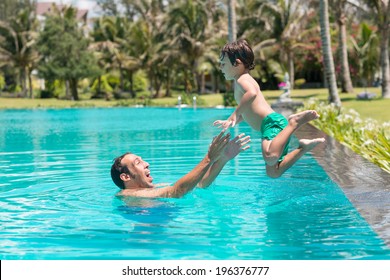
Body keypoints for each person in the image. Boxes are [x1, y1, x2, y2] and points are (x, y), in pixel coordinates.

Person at [214, 39, 325, 178]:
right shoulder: (242, 80)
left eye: (223, 63)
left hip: (271, 123)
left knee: (269, 156)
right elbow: (248, 110)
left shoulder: (242, 79)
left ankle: (294, 123)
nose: (220, 67)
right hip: (270, 125)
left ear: (237, 63)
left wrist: (234, 115)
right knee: (273, 172)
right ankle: (303, 148)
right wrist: (234, 121)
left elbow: (252, 94)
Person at [111, 130, 251, 198]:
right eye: (138, 163)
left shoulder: (154, 189)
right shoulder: (128, 195)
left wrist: (222, 159)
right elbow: (178, 191)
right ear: (125, 177)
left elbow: (198, 184)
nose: (147, 164)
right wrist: (209, 158)